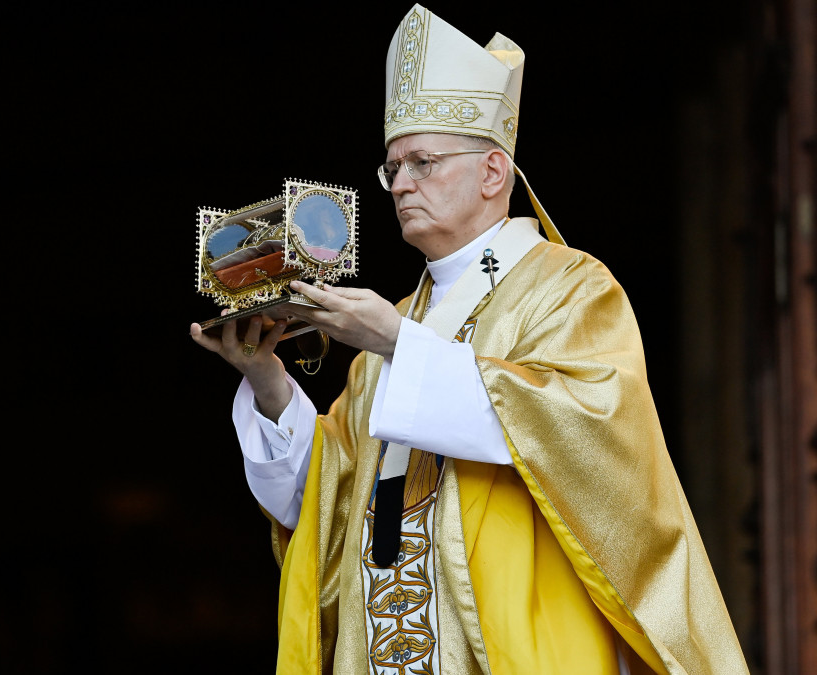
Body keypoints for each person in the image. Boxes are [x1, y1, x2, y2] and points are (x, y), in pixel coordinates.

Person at [189, 4, 748, 674]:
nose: (400, 184)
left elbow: (592, 438)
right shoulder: (389, 327)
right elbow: (327, 509)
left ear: (492, 174)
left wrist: (400, 342)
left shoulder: (570, 288)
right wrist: (269, 380)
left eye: (422, 162)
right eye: (392, 168)